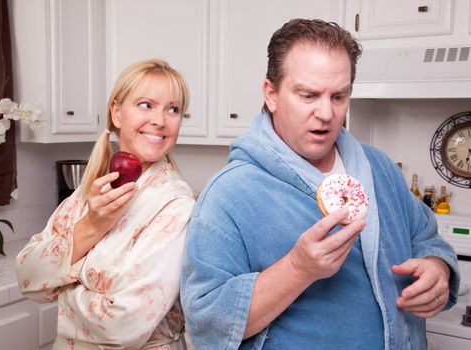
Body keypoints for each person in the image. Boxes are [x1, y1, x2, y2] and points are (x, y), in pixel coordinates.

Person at [180, 19, 460, 350]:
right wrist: (298, 269)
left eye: (339, 96)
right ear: (271, 94)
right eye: (309, 95)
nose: (326, 113)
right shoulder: (228, 195)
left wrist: (437, 269)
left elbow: (425, 238)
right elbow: (206, 323)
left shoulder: (379, 168)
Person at [16, 59, 196, 349]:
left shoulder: (176, 206)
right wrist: (92, 225)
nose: (160, 121)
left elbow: (124, 325)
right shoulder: (89, 192)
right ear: (116, 112)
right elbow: (27, 276)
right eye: (146, 104)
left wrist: (63, 288)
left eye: (173, 109)